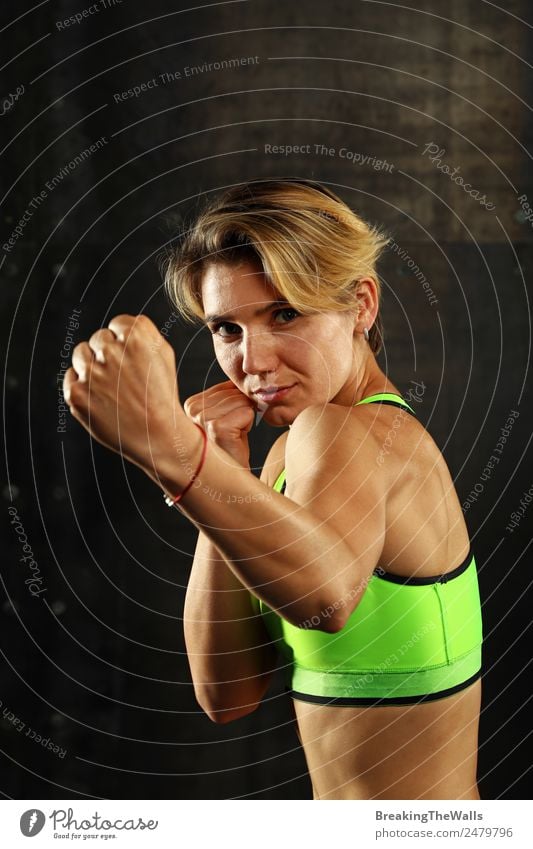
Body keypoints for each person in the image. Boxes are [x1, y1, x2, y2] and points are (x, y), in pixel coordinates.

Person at [63, 178, 483, 800]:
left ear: (361, 305)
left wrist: (172, 450)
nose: (252, 361)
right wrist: (219, 463)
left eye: (285, 314)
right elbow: (225, 692)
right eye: (227, 330)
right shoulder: (295, 449)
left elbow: (328, 601)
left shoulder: (348, 431)